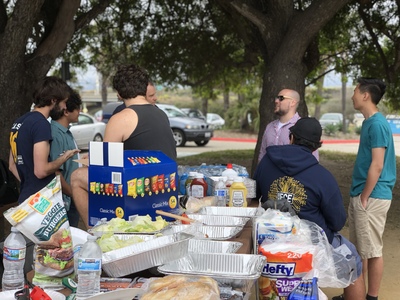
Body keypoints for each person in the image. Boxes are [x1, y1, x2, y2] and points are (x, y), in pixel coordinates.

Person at [254, 117, 365, 300]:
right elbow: (337, 222)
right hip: (313, 245)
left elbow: (254, 196)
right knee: (354, 260)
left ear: (291, 137)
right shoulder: (323, 177)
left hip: (270, 238)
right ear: (316, 147)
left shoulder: (266, 163)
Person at [71, 64, 176, 227]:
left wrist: (92, 160)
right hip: (167, 186)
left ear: (119, 94)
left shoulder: (121, 118)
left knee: (77, 176)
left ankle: (94, 231)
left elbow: (105, 164)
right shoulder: (161, 114)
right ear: (144, 88)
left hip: (139, 188)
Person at [347, 78, 396, 300]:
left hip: (372, 196)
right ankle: (356, 294)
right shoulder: (369, 122)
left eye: (355, 91)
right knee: (360, 250)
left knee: (373, 251)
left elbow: (377, 164)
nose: (352, 95)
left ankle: (372, 297)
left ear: (365, 95)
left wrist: (365, 196)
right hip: (362, 194)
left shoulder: (376, 124)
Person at [9, 77, 80, 203]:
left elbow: (12, 165)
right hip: (41, 202)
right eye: (63, 102)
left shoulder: (19, 121)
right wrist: (64, 158)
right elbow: (41, 171)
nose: (64, 107)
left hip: (25, 197)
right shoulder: (41, 124)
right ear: (53, 100)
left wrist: (28, 183)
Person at [49, 89, 82, 227]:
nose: (80, 112)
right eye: (77, 109)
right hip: (66, 200)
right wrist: (73, 194)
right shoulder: (56, 134)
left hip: (70, 196)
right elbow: (55, 171)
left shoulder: (66, 132)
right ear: (66, 111)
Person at [258, 89, 319, 163]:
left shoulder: (304, 128)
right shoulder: (270, 127)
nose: (276, 101)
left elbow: (312, 161)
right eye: (276, 98)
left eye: (281, 98)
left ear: (292, 102)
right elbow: (262, 156)